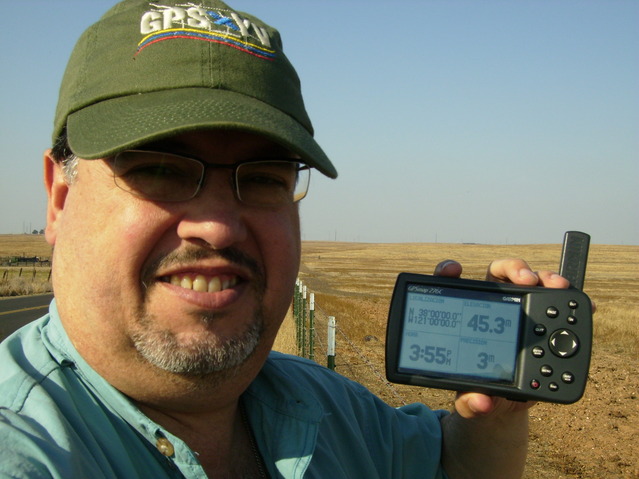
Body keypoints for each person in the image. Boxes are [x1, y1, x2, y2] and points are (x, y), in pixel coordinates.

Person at [0, 1, 572, 477]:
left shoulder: (333, 413)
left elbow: (446, 466)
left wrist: (494, 415)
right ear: (59, 198)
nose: (219, 225)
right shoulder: (27, 451)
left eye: (266, 178)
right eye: (160, 169)